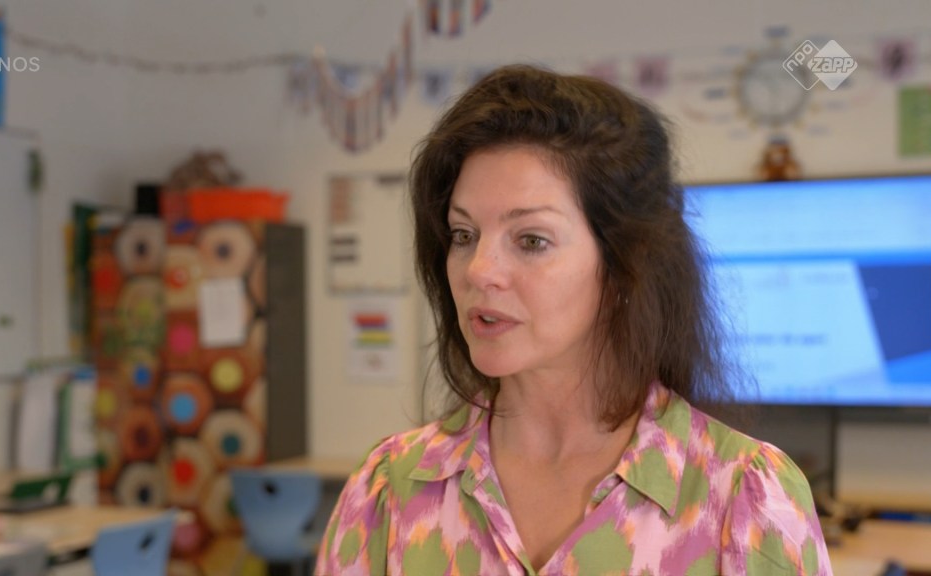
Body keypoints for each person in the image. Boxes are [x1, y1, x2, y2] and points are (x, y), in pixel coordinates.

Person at [316, 64, 831, 575]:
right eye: (463, 235)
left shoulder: (743, 497)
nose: (478, 271)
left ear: (624, 264)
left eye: (531, 240)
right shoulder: (389, 490)